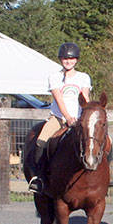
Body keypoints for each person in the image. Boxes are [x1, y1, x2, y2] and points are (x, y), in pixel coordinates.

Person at [26, 42, 92, 193]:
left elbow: (85, 98)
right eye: (65, 59)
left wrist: (87, 116)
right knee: (41, 141)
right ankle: (39, 177)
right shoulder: (55, 77)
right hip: (58, 117)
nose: (68, 61)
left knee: (102, 141)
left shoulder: (83, 77)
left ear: (76, 60)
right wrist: (68, 117)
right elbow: (59, 98)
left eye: (72, 58)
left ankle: (103, 175)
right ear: (60, 60)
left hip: (80, 118)